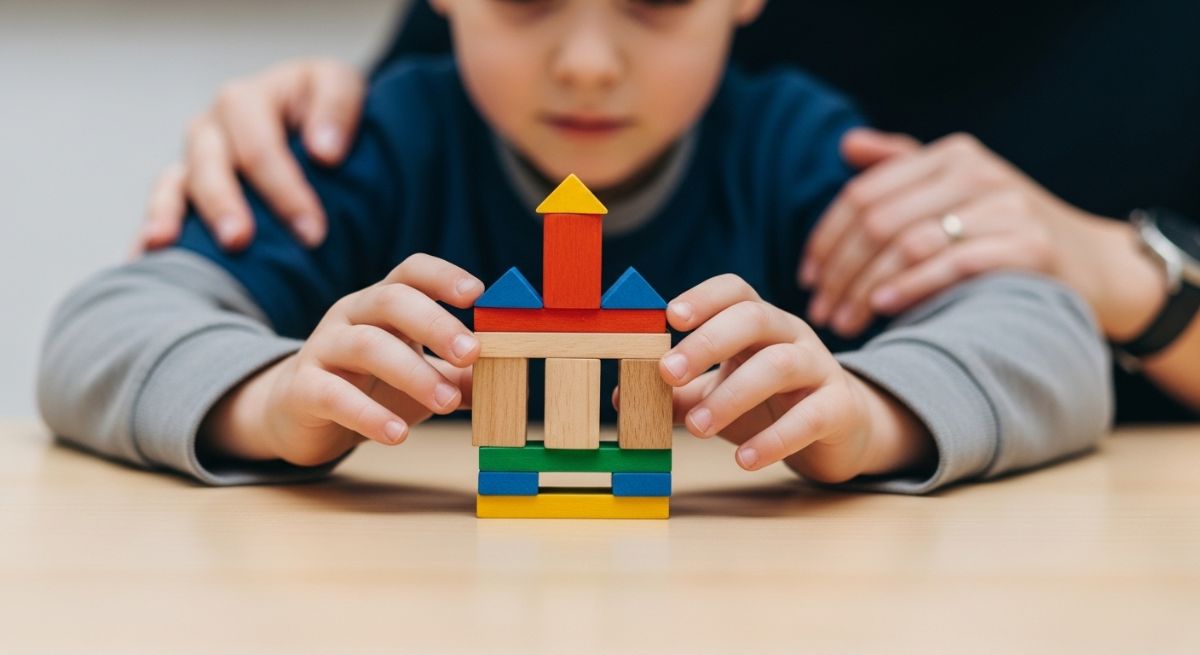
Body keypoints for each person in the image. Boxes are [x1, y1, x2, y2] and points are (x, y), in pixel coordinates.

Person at [41, 0, 1109, 492]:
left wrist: (876, 416)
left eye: (654, 3)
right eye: (527, 0)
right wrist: (268, 399)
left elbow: (1048, 328)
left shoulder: (794, 148)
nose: (590, 61)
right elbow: (102, 326)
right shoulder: (373, 144)